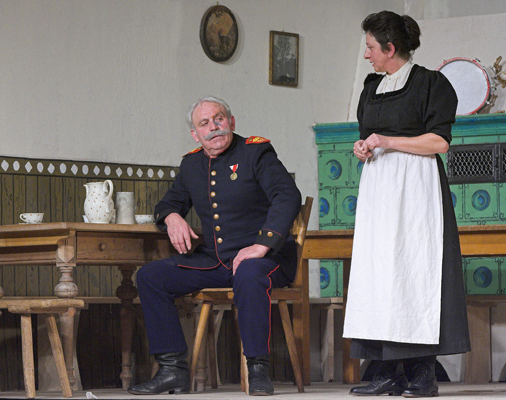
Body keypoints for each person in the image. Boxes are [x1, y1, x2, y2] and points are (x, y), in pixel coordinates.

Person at [127, 96, 302, 396]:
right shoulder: (192, 163)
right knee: (150, 276)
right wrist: (171, 217)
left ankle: (257, 370)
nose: (213, 127)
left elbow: (287, 196)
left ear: (231, 122)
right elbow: (168, 203)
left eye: (219, 119)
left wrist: (261, 245)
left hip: (267, 259)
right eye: (204, 123)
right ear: (195, 134)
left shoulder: (256, 152)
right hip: (216, 262)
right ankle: (172, 371)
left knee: (249, 273)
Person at [342, 11, 470, 398]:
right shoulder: (371, 87)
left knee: (414, 271)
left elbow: (439, 143)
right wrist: (364, 147)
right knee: (378, 273)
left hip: (416, 187)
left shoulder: (431, 84)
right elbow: (368, 135)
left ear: (390, 48)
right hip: (378, 188)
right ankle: (384, 371)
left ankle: (421, 373)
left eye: (370, 47)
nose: (367, 55)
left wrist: (388, 141)